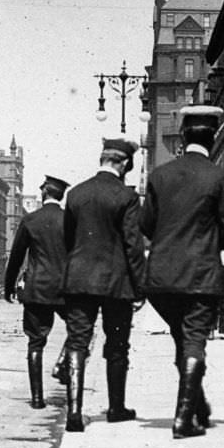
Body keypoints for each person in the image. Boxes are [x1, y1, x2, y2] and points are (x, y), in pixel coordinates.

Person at [140, 105, 224, 439]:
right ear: (212, 139)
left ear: (183, 137)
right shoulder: (218, 177)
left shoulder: (159, 176)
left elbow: (146, 225)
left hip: (160, 280)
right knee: (194, 342)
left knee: (181, 340)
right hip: (199, 276)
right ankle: (184, 419)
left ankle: (198, 407)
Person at [61, 137, 146, 432]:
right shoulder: (126, 197)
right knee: (117, 343)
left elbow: (68, 240)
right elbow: (133, 246)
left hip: (79, 279)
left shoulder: (75, 194)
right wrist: (140, 286)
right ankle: (116, 407)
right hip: (116, 282)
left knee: (77, 342)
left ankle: (74, 413)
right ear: (123, 164)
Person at [4, 174, 71, 409]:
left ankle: (37, 399)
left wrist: (8, 286)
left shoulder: (30, 220)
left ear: (44, 192)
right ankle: (63, 363)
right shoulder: (70, 220)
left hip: (37, 289)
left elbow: (16, 256)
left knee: (35, 342)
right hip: (65, 289)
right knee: (79, 330)